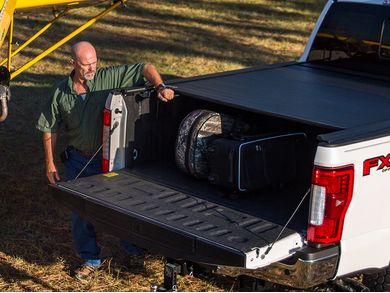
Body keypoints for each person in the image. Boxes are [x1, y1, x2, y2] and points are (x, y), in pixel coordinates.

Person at [36, 41, 175, 281]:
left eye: (94, 62)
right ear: (72, 64)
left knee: (122, 206)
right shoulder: (60, 91)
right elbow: (48, 127)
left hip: (107, 160)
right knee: (80, 212)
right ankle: (90, 260)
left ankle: (133, 251)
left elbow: (145, 67)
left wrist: (160, 85)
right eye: (85, 64)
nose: (91, 68)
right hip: (77, 160)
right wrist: (50, 162)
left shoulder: (107, 77)